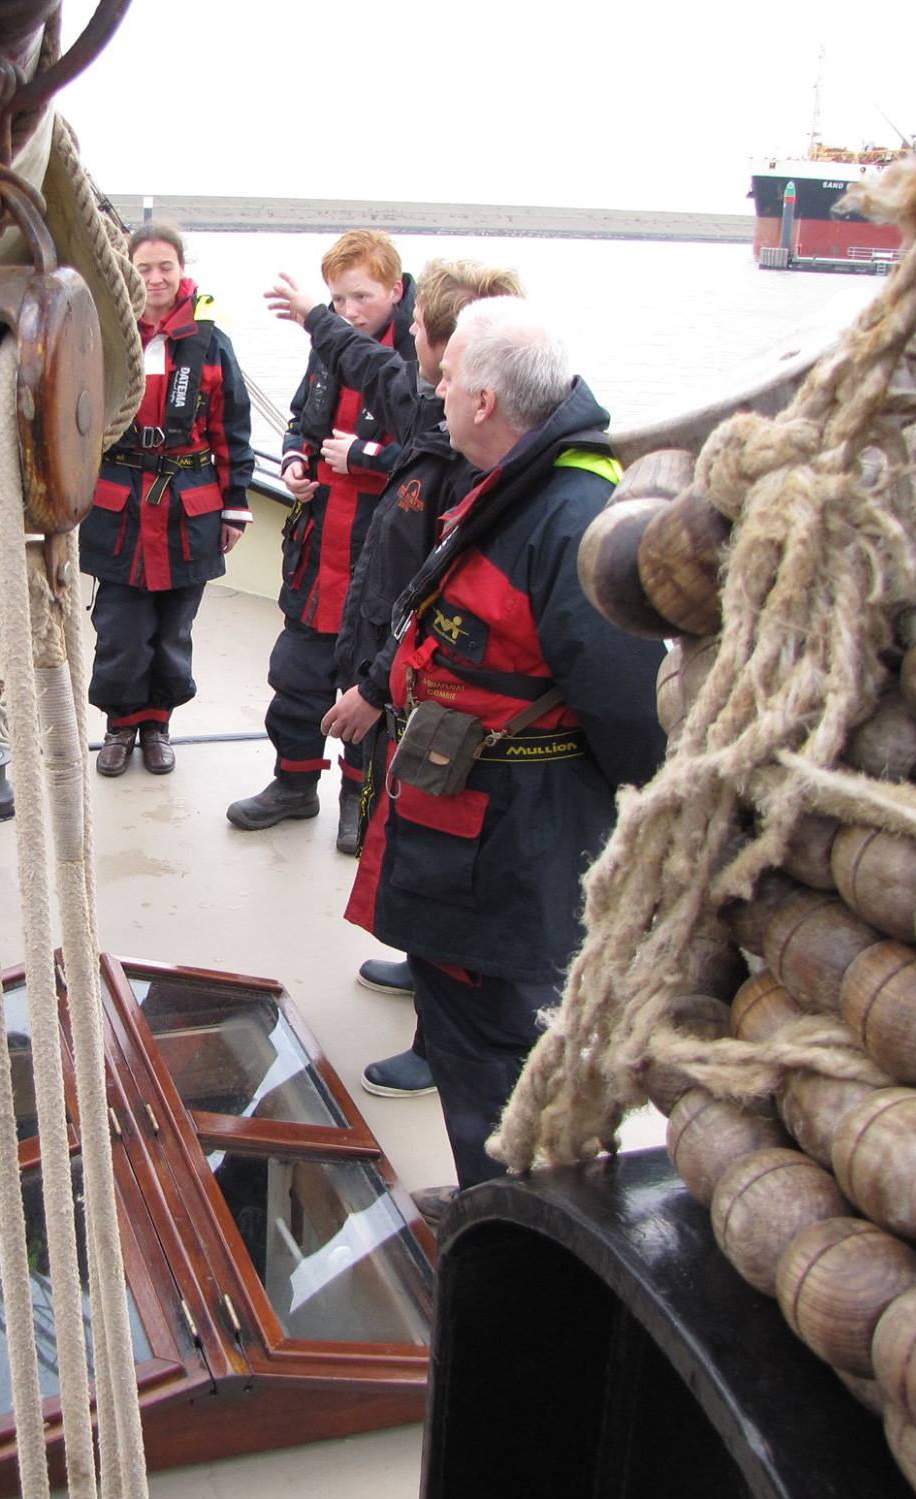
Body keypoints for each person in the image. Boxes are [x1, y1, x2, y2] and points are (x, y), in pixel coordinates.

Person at [330, 298, 667, 1207]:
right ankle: (489, 1206)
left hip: (513, 857)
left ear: (484, 402)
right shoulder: (512, 485)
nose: (429, 392)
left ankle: (507, 1229)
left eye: (444, 382)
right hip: (467, 844)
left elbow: (631, 712)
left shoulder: (572, 520)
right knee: (470, 1049)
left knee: (500, 1066)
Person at [265, 259, 527, 1097]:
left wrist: (375, 687)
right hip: (398, 675)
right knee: (411, 847)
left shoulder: (471, 451)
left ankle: (441, 1037)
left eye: (416, 327)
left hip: (432, 698)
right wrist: (315, 317)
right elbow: (364, 357)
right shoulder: (428, 406)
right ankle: (425, 967)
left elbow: (439, 594)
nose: (405, 331)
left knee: (441, 861)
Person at [231, 229, 416, 836]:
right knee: (296, 675)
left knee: (367, 687)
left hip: (378, 558)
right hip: (317, 552)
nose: (347, 313)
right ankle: (293, 786)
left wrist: (363, 456)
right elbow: (299, 423)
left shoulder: (419, 358)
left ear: (395, 289)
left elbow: (438, 459)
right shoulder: (329, 350)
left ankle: (357, 805)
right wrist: (293, 462)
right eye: (336, 301)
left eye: (361, 298)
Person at [80, 221, 254, 775]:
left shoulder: (209, 342)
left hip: (189, 509)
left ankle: (158, 725)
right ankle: (119, 725)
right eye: (143, 268)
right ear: (126, 271)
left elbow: (232, 428)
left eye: (165, 267)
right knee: (122, 631)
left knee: (174, 631)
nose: (154, 279)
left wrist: (235, 503)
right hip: (121, 507)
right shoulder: (106, 336)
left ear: (182, 270)